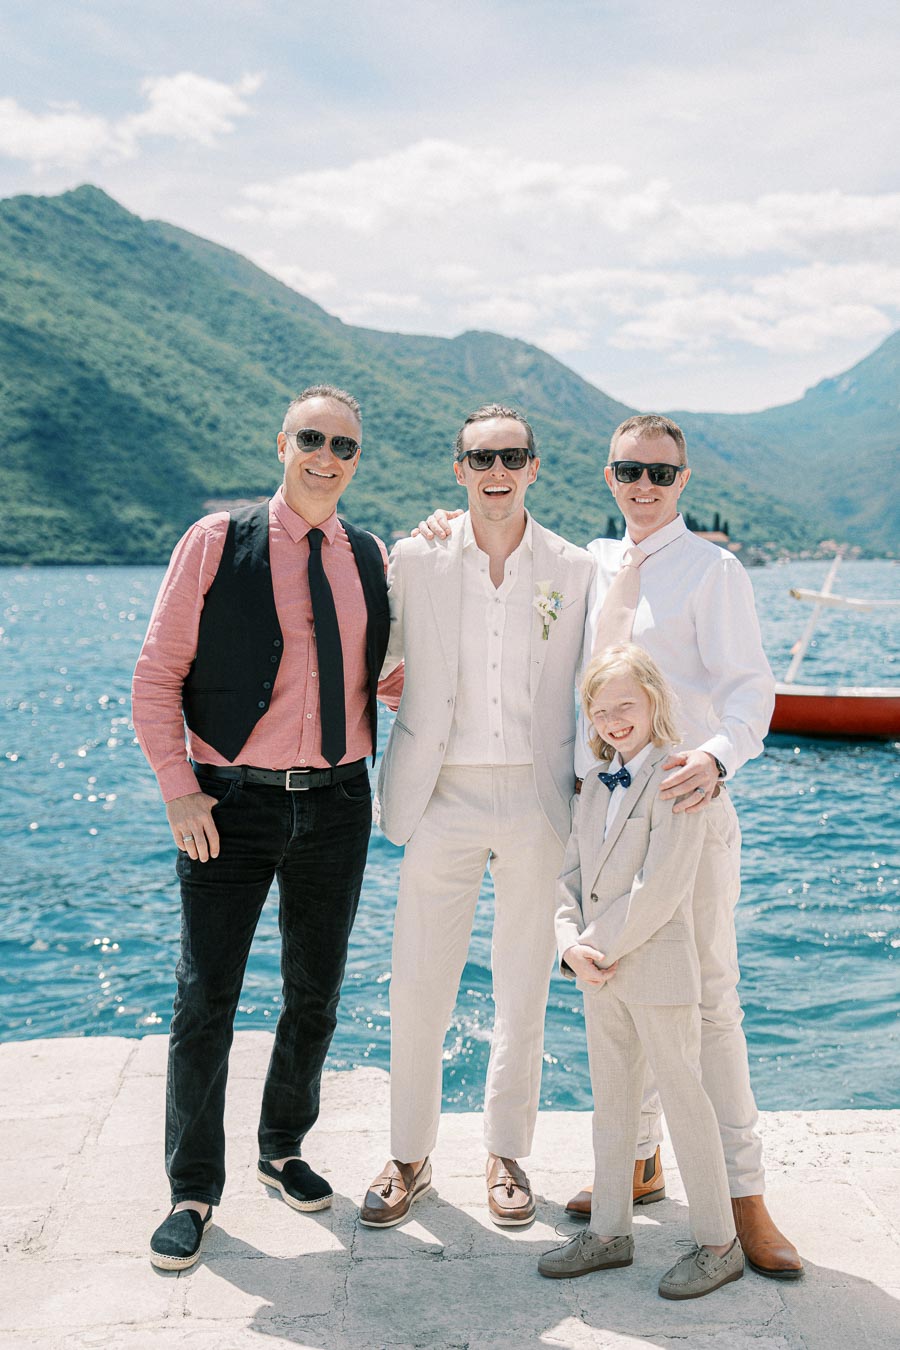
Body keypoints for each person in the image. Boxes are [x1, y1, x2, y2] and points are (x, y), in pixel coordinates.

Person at [412, 412, 802, 1278]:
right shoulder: (589, 565)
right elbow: (507, 553)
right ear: (608, 476)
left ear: (684, 480)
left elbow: (751, 693)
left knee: (709, 1002)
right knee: (623, 986)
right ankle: (641, 1162)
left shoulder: (714, 572)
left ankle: (744, 1196)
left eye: (661, 472)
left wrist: (714, 756)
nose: (644, 486)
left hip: (686, 806)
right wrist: (445, 528)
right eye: (629, 470)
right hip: (600, 813)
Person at [133, 384, 401, 1271]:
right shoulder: (217, 542)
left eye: (344, 446)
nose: (327, 457)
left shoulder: (370, 556)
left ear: (357, 460)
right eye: (312, 439)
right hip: (229, 804)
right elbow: (156, 677)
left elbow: (385, 676)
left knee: (315, 993)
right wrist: (180, 791)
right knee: (205, 999)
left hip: (338, 801)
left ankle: (282, 1146)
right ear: (281, 444)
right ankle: (192, 1190)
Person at [359, 404, 595, 1229]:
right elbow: (373, 657)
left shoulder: (573, 567)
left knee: (523, 986)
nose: (498, 472)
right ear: (458, 469)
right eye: (482, 458)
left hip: (537, 795)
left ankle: (506, 1154)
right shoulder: (415, 557)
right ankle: (409, 1156)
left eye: (512, 457)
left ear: (535, 467)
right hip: (441, 791)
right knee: (419, 981)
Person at [538, 644, 743, 1300]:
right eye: (599, 711)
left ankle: (720, 1243)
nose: (613, 720)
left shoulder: (679, 776)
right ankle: (609, 1232)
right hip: (599, 973)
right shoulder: (594, 785)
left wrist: (598, 944)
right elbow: (568, 876)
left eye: (625, 704)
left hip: (654, 965)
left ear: (655, 698)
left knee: (684, 1099)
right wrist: (568, 945)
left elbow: (663, 886)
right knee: (612, 1103)